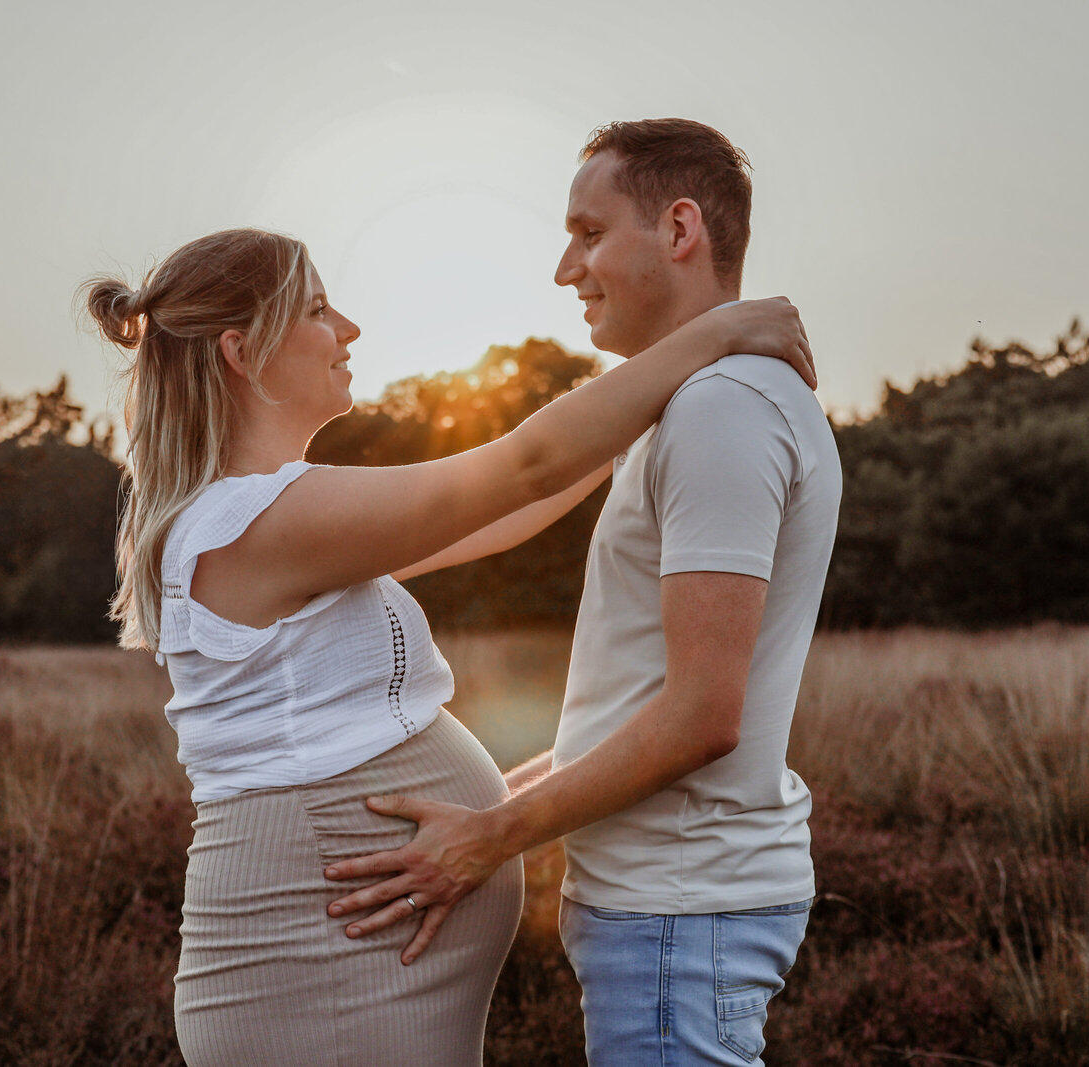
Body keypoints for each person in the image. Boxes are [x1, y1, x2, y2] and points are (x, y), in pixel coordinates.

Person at [81, 226, 814, 1067]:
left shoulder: (275, 517)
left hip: (351, 955)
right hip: (316, 966)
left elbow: (507, 513)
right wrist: (713, 334)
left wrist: (648, 409)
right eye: (318, 309)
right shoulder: (257, 522)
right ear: (242, 351)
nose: (348, 328)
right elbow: (523, 467)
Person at [325, 119, 842, 1065]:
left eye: (589, 232)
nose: (568, 268)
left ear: (679, 229)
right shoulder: (686, 407)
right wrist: (479, 806)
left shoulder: (725, 411)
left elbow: (700, 717)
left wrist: (490, 837)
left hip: (682, 913)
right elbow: (636, 689)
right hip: (668, 911)